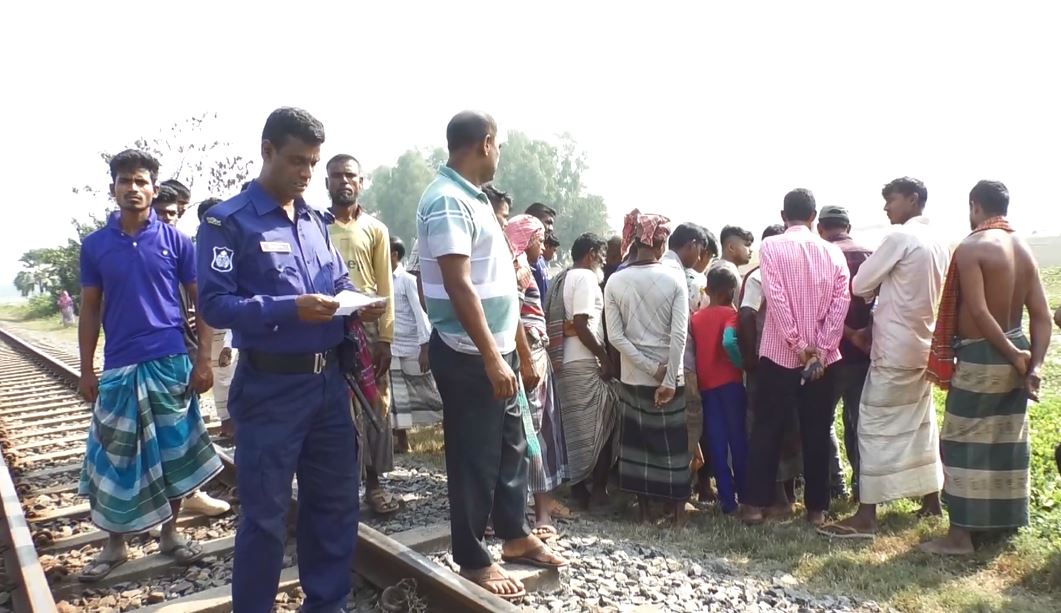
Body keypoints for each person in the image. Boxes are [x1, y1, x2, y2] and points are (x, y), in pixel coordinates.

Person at [197, 108, 360, 612]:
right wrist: (291, 309)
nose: (307, 174)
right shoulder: (228, 221)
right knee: (265, 517)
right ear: (267, 151)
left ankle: (326, 604)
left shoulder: (313, 221)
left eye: (312, 163)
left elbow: (336, 282)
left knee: (333, 506)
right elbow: (216, 304)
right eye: (296, 161)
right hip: (270, 389)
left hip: (328, 387)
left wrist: (357, 299)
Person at [417, 110, 565, 600]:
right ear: (484, 143)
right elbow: (459, 286)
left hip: (497, 350)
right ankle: (472, 557)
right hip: (467, 353)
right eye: (497, 144)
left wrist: (519, 352)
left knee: (511, 447)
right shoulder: (445, 200)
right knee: (473, 457)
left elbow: (501, 287)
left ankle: (515, 536)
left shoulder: (476, 200)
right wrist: (491, 358)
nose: (498, 152)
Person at [76, 149, 222, 582]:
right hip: (120, 366)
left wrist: (204, 360)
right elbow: (89, 310)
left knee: (175, 454)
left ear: (153, 189)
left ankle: (171, 533)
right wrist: (86, 370)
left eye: (141, 182)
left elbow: (203, 303)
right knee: (113, 457)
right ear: (114, 188)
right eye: (125, 181)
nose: (133, 189)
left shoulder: (178, 241)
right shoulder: (95, 246)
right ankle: (115, 544)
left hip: (171, 363)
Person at [920, 180, 1052, 555]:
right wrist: (1034, 364)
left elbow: (978, 310)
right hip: (1020, 353)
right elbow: (1041, 315)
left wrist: (1011, 354)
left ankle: (960, 536)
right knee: (1004, 439)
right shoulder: (1024, 249)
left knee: (961, 441)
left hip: (985, 354)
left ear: (974, 206)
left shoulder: (973, 246)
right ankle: (1000, 525)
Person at [819, 180, 949, 539]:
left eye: (890, 200)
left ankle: (866, 515)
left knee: (872, 424)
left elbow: (860, 285)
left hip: (893, 346)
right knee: (920, 421)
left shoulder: (900, 239)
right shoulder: (938, 240)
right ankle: (932, 500)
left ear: (912, 199)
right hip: (922, 343)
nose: (886, 208)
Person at [740, 189, 850, 527]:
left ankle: (756, 506)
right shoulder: (833, 253)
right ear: (814, 216)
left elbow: (775, 297)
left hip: (779, 354)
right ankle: (816, 510)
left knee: (767, 429)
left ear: (784, 215)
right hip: (823, 359)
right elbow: (841, 301)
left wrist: (798, 344)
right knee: (816, 430)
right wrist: (821, 348)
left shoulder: (771, 246)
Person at [149, 190, 231, 520]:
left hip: (182, 347)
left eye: (174, 212)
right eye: (163, 212)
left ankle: (192, 493)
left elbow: (201, 300)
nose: (169, 217)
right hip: (146, 351)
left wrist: (201, 352)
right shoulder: (132, 249)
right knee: (149, 433)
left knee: (183, 428)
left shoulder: (183, 247)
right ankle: (155, 507)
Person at [325, 153, 399, 517]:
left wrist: (386, 337)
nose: (344, 181)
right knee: (334, 408)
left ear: (361, 181)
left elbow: (384, 282)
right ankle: (340, 487)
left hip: (367, 325)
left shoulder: (375, 229)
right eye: (336, 175)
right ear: (327, 183)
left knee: (375, 406)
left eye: (350, 175)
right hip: (327, 325)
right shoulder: (314, 226)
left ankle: (374, 483)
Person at [605, 209, 689, 524]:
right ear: (662, 242)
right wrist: (666, 376)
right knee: (673, 445)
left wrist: (648, 367)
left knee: (637, 444)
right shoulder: (674, 278)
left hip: (634, 376)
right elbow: (680, 334)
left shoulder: (615, 280)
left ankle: (644, 513)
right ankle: (678, 514)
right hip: (671, 375)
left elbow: (615, 336)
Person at [504, 214, 568, 540]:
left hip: (530, 355)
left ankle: (526, 510)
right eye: (539, 240)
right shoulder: (517, 269)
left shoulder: (519, 267)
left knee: (530, 431)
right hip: (526, 357)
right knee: (532, 433)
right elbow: (513, 317)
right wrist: (528, 362)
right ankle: (539, 513)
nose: (543, 247)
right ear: (526, 240)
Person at [544, 232, 617, 510]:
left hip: (563, 362)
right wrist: (604, 358)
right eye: (601, 255)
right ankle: (597, 492)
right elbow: (582, 324)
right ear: (590, 254)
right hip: (583, 362)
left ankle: (578, 490)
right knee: (603, 425)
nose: (603, 260)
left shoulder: (559, 278)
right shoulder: (586, 278)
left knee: (575, 429)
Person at [737, 224, 797, 511]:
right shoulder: (795, 274)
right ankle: (785, 492)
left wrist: (749, 357)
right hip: (795, 361)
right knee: (788, 425)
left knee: (762, 427)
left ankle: (776, 494)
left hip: (766, 362)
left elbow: (746, 315)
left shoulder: (759, 276)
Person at [815, 206, 873, 501]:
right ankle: (863, 489)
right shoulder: (869, 254)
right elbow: (883, 302)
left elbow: (820, 308)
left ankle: (834, 484)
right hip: (866, 356)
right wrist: (865, 335)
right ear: (848, 226)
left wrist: (847, 334)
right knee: (860, 422)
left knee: (822, 421)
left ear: (820, 229)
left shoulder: (821, 256)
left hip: (831, 355)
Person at [661, 223, 714, 501]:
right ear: (691, 244)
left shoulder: (656, 268)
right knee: (689, 426)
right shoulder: (690, 279)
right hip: (685, 364)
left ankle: (663, 492)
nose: (700, 257)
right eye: (701, 250)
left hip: (654, 364)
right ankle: (679, 494)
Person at [690, 265, 747, 514]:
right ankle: (745, 494)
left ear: (708, 290)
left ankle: (726, 499)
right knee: (738, 440)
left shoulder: (696, 318)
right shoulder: (731, 315)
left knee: (716, 441)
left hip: (707, 387)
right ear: (730, 292)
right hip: (731, 385)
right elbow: (728, 341)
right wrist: (741, 364)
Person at [388, 236, 442, 436]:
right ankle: (402, 441)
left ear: (394, 255)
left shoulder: (408, 281)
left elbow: (420, 315)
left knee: (428, 393)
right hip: (392, 346)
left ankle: (448, 429)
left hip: (413, 347)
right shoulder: (381, 280)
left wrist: (425, 348)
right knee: (397, 399)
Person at [197, 197, 236, 439]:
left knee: (232, 370)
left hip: (232, 319)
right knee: (221, 371)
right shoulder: (199, 244)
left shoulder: (232, 240)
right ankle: (228, 423)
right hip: (212, 321)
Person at [525, 202, 557, 298]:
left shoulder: (539, 256)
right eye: (548, 222)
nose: (551, 228)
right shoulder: (522, 256)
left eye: (552, 224)